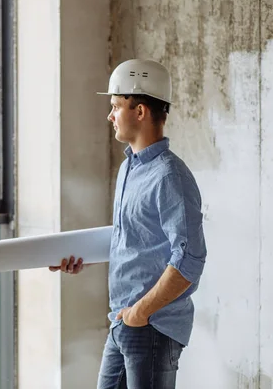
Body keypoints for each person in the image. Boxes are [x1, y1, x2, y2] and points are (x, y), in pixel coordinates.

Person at [49, 59, 207, 388]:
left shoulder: (170, 176)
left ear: (139, 112)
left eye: (115, 106)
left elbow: (190, 257)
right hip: (123, 321)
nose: (109, 116)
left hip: (152, 327)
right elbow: (134, 239)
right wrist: (83, 257)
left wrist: (141, 311)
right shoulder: (129, 168)